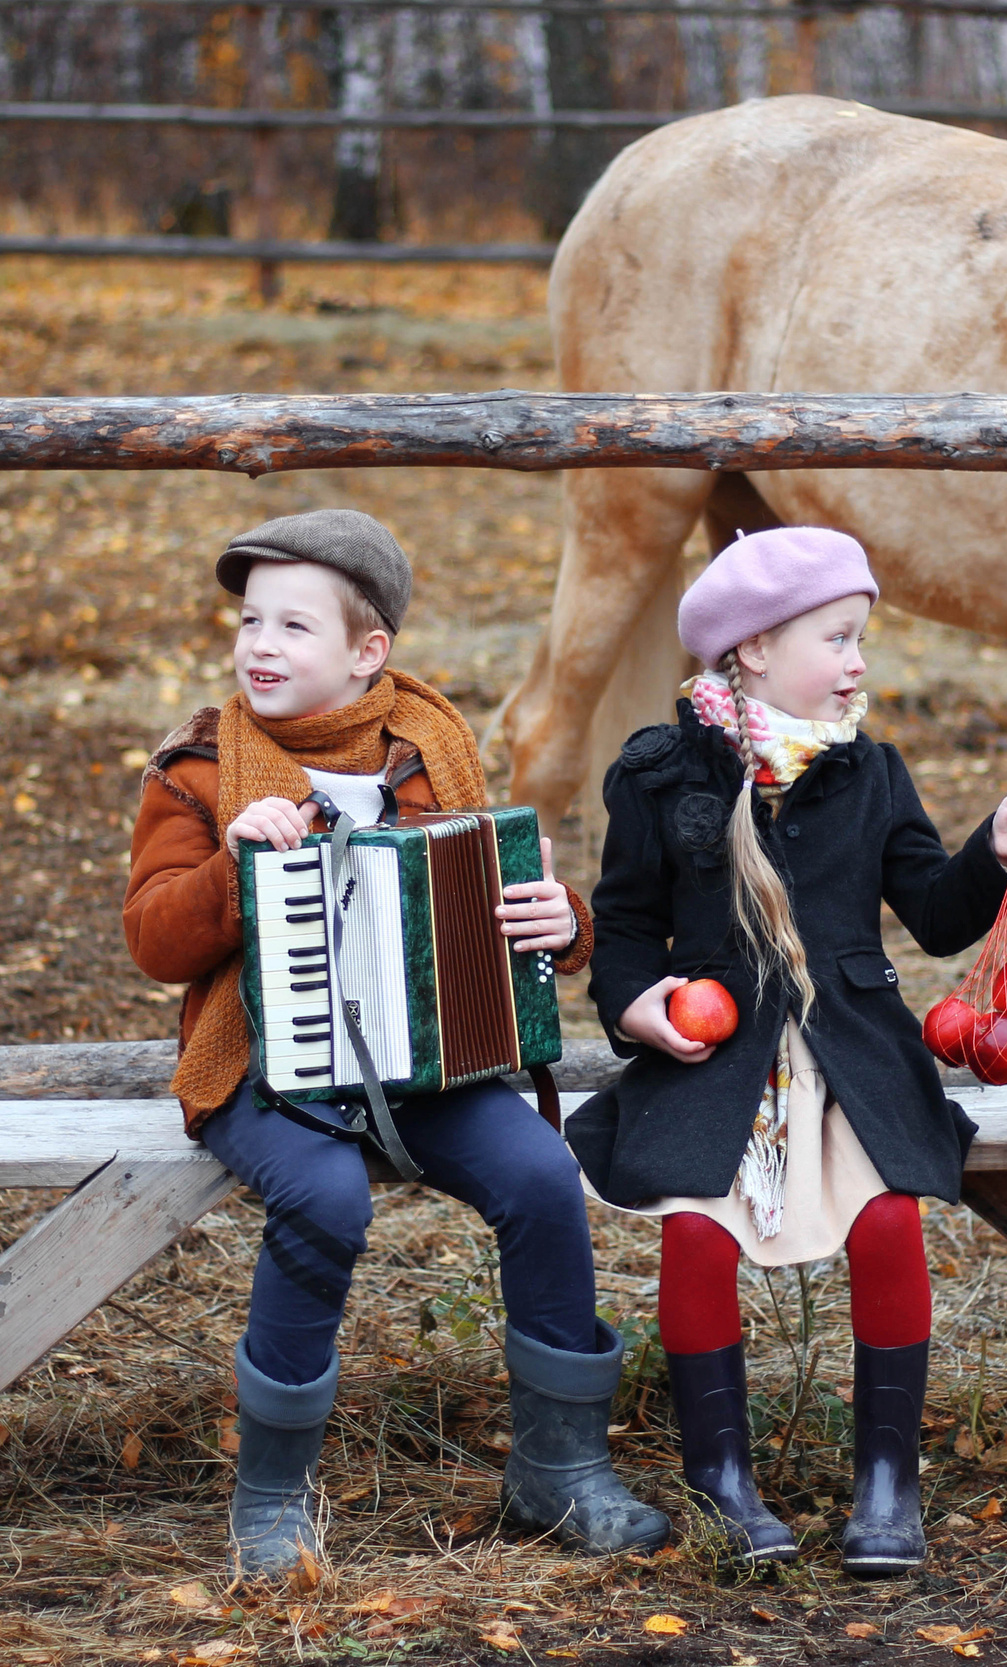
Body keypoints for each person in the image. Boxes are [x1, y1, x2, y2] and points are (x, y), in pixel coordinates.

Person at [122, 508, 668, 1580]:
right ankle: (271, 1499)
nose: (259, 646)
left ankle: (557, 1472)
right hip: (264, 1071)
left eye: (293, 626)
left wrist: (564, 925)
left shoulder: (430, 751)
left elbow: (492, 917)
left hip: (422, 1061)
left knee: (541, 1174)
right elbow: (152, 939)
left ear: (368, 653)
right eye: (249, 621)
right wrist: (233, 871)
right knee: (324, 1197)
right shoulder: (197, 771)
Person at [568, 526, 1007, 1576]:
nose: (857, 663)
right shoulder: (659, 774)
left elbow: (931, 912)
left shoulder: (870, 773)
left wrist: (990, 854)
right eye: (835, 639)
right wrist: (638, 1007)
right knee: (694, 1235)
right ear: (750, 651)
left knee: (885, 1221)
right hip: (713, 1064)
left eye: (859, 638)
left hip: (847, 1063)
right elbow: (627, 923)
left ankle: (887, 1482)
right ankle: (720, 1476)